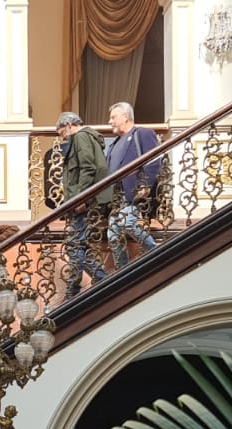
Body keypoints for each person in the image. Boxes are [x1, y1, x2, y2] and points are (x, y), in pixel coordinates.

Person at [54, 111, 112, 299]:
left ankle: (76, 286)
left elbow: (88, 168)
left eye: (62, 132)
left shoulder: (80, 137)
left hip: (83, 203)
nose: (63, 137)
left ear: (69, 125)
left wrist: (81, 198)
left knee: (75, 244)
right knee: (79, 245)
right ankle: (101, 280)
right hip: (81, 202)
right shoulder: (84, 137)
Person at [105, 101, 161, 270]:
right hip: (117, 197)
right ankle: (121, 272)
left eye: (113, 117)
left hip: (135, 193)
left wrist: (146, 184)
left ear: (125, 117)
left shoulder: (142, 133)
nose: (110, 121)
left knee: (129, 223)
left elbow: (154, 159)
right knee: (113, 234)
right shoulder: (114, 143)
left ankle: (157, 251)